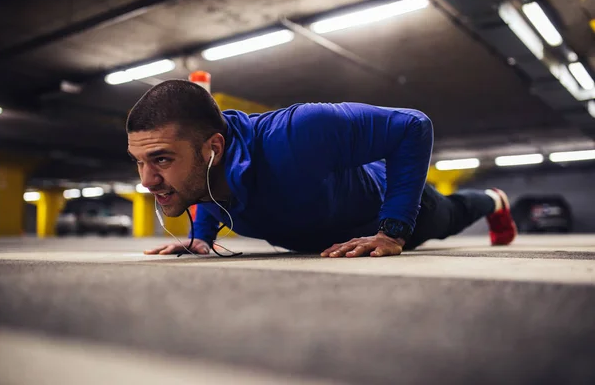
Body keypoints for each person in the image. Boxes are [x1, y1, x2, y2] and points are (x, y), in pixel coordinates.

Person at [126, 79, 517, 258]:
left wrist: (392, 231)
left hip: (385, 211)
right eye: (140, 162)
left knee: (453, 214)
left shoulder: (297, 133)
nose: (146, 181)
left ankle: (494, 200)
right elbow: (206, 187)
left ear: (214, 148)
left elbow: (413, 126)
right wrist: (204, 236)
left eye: (161, 159)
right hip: (320, 232)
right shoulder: (200, 172)